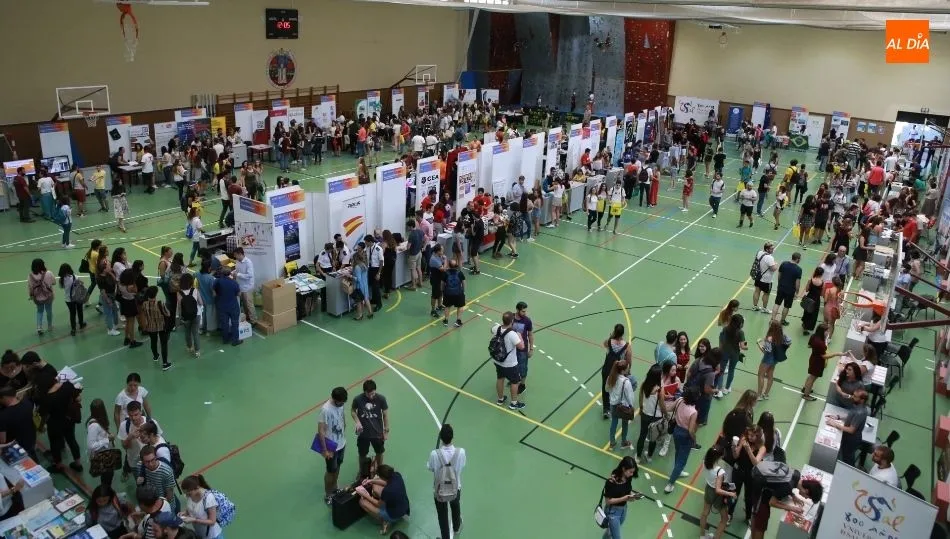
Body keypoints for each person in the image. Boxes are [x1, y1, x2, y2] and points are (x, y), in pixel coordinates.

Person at [748, 465, 823, 539]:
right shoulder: (788, 486)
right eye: (808, 497)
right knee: (760, 525)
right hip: (761, 494)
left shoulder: (797, 474)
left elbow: (783, 481)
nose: (805, 498)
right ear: (806, 491)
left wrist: (793, 495)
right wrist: (792, 508)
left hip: (760, 481)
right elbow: (772, 502)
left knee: (757, 519)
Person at [427, 424, 465, 539]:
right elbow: (462, 466)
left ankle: (445, 537)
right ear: (452, 437)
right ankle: (457, 526)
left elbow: (430, 467)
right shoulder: (461, 452)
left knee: (442, 515)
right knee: (455, 506)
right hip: (455, 488)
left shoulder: (434, 454)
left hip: (439, 491)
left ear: (441, 438)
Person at [355, 464, 410, 535]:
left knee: (362, 502)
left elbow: (378, 505)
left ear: (383, 477)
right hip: (404, 507)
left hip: (394, 514)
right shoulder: (397, 475)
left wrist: (364, 495)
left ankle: (385, 520)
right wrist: (370, 481)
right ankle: (387, 516)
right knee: (375, 486)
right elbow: (385, 482)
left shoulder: (388, 490)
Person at [664, 386, 700, 493]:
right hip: (685, 435)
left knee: (678, 452)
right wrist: (694, 439)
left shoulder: (679, 400)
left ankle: (678, 471)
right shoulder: (693, 412)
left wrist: (663, 399)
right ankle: (670, 483)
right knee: (682, 459)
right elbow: (691, 430)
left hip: (676, 430)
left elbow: (669, 408)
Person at [802, 324, 848, 401]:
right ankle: (806, 394)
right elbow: (824, 356)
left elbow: (809, 346)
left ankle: (805, 388)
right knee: (813, 378)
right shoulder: (820, 343)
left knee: (811, 376)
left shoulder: (814, 336)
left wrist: (816, 349)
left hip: (813, 358)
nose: (828, 332)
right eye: (827, 331)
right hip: (818, 362)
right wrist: (836, 354)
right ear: (822, 332)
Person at [351, 379, 389, 472]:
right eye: (369, 394)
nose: (371, 396)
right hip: (363, 434)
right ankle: (361, 471)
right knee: (362, 454)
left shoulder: (381, 399)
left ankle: (380, 470)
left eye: (373, 393)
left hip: (377, 433)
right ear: (364, 392)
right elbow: (353, 411)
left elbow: (385, 414)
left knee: (379, 452)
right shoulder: (358, 399)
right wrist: (357, 422)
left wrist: (386, 431)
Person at [699, 446, 737, 539]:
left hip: (708, 489)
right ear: (718, 457)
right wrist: (731, 494)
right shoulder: (720, 471)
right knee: (724, 519)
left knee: (705, 513)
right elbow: (718, 489)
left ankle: (702, 536)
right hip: (717, 495)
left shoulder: (705, 462)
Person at [319, 386, 348, 505]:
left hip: (341, 443)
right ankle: (328, 494)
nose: (342, 404)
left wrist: (344, 426)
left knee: (338, 466)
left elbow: (342, 417)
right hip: (331, 447)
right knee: (330, 471)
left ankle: (335, 488)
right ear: (335, 399)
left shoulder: (340, 404)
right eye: (341, 402)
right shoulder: (325, 410)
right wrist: (325, 450)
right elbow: (321, 431)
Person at [491, 312, 525, 410]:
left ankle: (500, 399)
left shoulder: (496, 328)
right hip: (510, 363)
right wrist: (520, 335)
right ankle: (514, 403)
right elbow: (521, 346)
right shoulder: (513, 334)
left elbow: (491, 330)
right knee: (515, 382)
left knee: (500, 378)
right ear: (512, 321)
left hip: (498, 360)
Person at [825, 389, 869, 465]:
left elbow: (851, 430)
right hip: (847, 437)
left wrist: (835, 424)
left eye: (855, 396)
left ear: (862, 400)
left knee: (847, 460)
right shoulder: (857, 406)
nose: (852, 397)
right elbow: (851, 415)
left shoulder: (860, 412)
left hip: (851, 440)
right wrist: (838, 417)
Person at [600, 456, 640, 539]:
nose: (632, 474)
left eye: (633, 472)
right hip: (613, 513)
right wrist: (625, 498)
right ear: (623, 469)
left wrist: (633, 496)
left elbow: (627, 490)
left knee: (610, 532)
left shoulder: (628, 477)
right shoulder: (611, 482)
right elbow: (608, 501)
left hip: (623, 509)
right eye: (630, 472)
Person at [635, 364, 666, 462]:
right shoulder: (660, 389)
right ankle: (649, 456)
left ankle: (638, 456)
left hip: (645, 414)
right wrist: (666, 414)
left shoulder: (644, 384)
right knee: (653, 438)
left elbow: (640, 398)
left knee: (642, 435)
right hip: (656, 417)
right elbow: (662, 405)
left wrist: (641, 408)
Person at [602, 324, 633, 419]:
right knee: (617, 388)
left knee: (605, 387)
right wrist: (628, 371)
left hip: (607, 368)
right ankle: (617, 407)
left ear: (615, 331)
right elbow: (629, 361)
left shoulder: (609, 342)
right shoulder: (627, 346)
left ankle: (606, 409)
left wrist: (611, 336)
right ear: (623, 333)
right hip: (618, 371)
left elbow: (604, 344)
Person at [0, 386, 37, 461]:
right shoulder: (28, 403)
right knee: (32, 457)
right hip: (31, 438)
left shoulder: (3, 416)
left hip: (16, 447)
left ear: (4, 397)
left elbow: (2, 440)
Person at [755, 320, 790, 400]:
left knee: (761, 375)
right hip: (775, 359)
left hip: (767, 359)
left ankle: (759, 395)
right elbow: (789, 342)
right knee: (770, 375)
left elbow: (765, 351)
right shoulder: (782, 336)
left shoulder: (769, 338)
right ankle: (766, 394)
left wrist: (758, 344)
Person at [86, 398, 117, 487]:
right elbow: (91, 446)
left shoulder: (99, 421)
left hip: (105, 453)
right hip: (102, 456)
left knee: (108, 475)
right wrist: (107, 440)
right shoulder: (94, 426)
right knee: (107, 476)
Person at [606, 360, 637, 450]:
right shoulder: (626, 382)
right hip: (624, 406)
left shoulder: (610, 377)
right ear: (623, 370)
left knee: (614, 423)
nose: (628, 369)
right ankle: (624, 442)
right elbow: (630, 397)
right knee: (625, 424)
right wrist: (631, 406)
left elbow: (607, 389)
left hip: (613, 405)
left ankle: (612, 442)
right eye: (627, 368)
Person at [140, 287, 172, 371]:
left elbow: (144, 314)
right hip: (161, 326)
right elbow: (167, 314)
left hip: (151, 326)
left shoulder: (145, 304)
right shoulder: (160, 303)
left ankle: (155, 356)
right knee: (163, 344)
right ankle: (165, 363)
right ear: (155, 294)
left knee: (153, 342)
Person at [212, 269, 242, 347]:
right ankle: (235, 340)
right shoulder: (234, 283)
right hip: (233, 306)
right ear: (230, 274)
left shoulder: (217, 281)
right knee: (235, 323)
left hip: (221, 306)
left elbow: (214, 292)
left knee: (224, 323)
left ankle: (225, 339)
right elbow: (239, 294)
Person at [771, 253, 802, 326]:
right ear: (797, 259)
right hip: (790, 290)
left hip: (781, 287)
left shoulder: (784, 264)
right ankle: (782, 320)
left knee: (777, 303)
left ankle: (772, 319)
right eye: (800, 259)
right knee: (786, 306)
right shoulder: (798, 269)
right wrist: (797, 292)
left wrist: (779, 284)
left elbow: (779, 275)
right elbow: (797, 283)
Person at [28, 258, 56, 336]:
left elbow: (30, 287)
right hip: (48, 296)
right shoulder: (49, 273)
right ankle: (49, 326)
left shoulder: (30, 276)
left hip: (37, 297)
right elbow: (54, 282)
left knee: (39, 311)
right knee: (49, 310)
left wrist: (31, 295)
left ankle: (39, 327)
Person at [232, 247, 256, 324]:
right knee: (245, 305)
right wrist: (233, 272)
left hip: (247, 287)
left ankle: (254, 321)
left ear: (240, 254)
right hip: (240, 286)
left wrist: (238, 274)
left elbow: (250, 275)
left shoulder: (248, 263)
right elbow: (237, 270)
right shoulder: (238, 261)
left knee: (249, 305)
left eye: (236, 255)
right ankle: (248, 317)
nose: (235, 257)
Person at [751, 243, 777, 312]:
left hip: (758, 276)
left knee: (757, 291)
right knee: (766, 294)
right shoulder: (770, 258)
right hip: (766, 280)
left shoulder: (760, 252)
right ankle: (764, 308)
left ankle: (755, 306)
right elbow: (773, 268)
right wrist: (775, 264)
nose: (773, 250)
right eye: (771, 249)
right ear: (767, 249)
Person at [441, 259, 466, 328]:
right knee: (460, 306)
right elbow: (464, 283)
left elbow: (442, 284)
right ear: (456, 266)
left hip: (448, 293)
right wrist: (463, 291)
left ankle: (446, 320)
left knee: (447, 306)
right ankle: (458, 321)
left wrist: (443, 291)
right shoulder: (460, 273)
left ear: (449, 265)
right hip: (458, 293)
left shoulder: (445, 273)